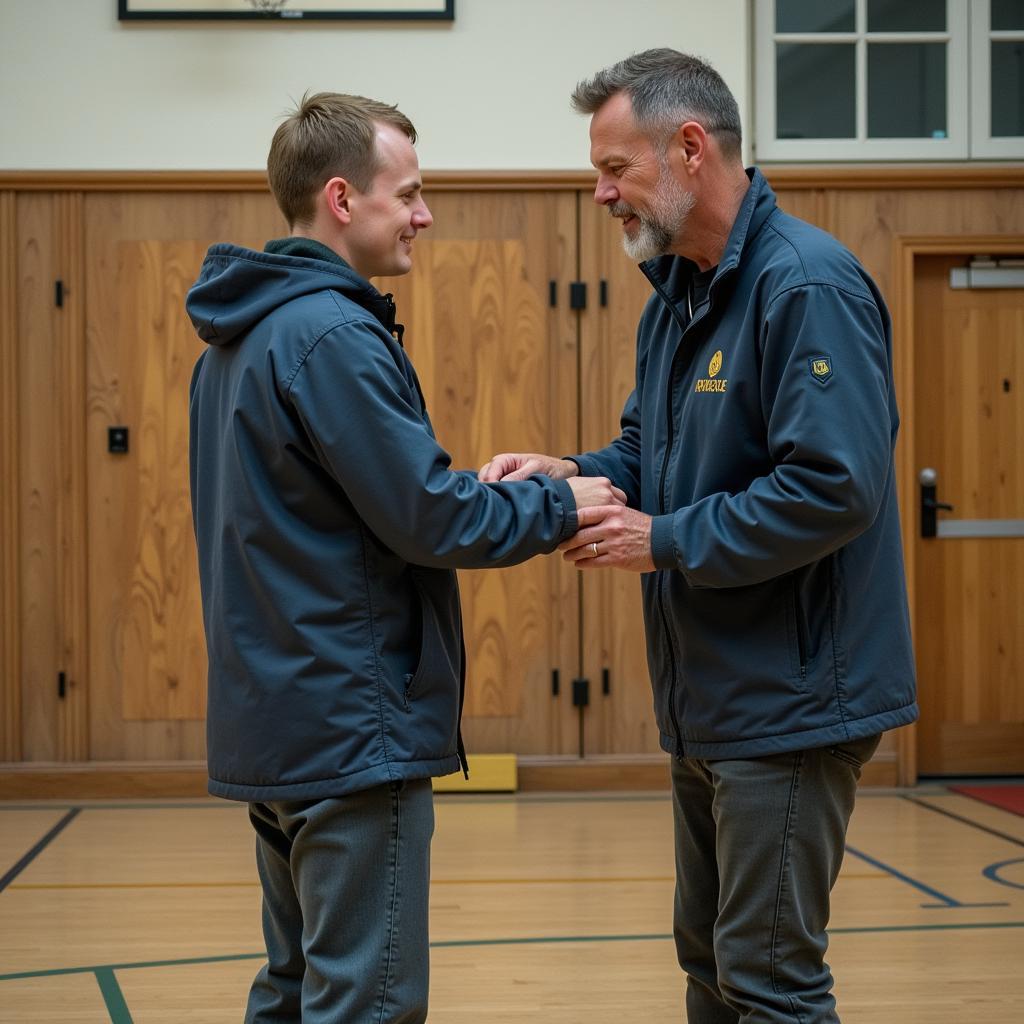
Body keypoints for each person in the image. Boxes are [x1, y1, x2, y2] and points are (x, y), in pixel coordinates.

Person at [479, 50, 918, 1023]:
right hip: (714, 697)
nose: (599, 194)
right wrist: (571, 473)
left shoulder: (803, 285)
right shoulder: (675, 293)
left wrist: (663, 537)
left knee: (768, 981)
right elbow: (647, 452)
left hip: (795, 703)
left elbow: (833, 487)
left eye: (612, 169)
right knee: (711, 965)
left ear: (687, 149)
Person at [186, 92, 623, 1024]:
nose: (425, 215)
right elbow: (427, 520)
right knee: (366, 1001)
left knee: (295, 987)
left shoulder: (239, 339)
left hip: (279, 717)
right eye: (411, 195)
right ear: (342, 199)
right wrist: (557, 502)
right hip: (349, 727)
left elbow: (348, 513)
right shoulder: (333, 334)